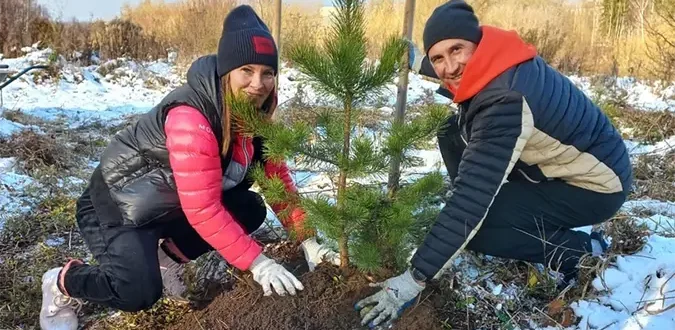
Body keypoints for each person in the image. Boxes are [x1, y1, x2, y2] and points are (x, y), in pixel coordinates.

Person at [39, 5, 339, 330]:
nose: (258, 83)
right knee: (138, 291)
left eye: (267, 72)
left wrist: (309, 241)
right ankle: (63, 282)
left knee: (249, 208)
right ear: (227, 71)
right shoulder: (191, 118)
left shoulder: (256, 118)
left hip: (169, 206)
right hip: (119, 208)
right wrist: (258, 261)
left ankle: (165, 262)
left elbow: (278, 182)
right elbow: (203, 209)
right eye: (246, 70)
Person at [355, 0, 632, 328]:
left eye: (457, 49)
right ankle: (496, 208)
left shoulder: (505, 102)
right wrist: (420, 63)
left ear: (475, 44)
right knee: (451, 133)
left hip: (597, 185)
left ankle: (581, 252)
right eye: (437, 58)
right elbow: (463, 72)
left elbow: (468, 203)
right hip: (574, 161)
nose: (449, 66)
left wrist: (413, 280)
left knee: (478, 227)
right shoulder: (498, 57)